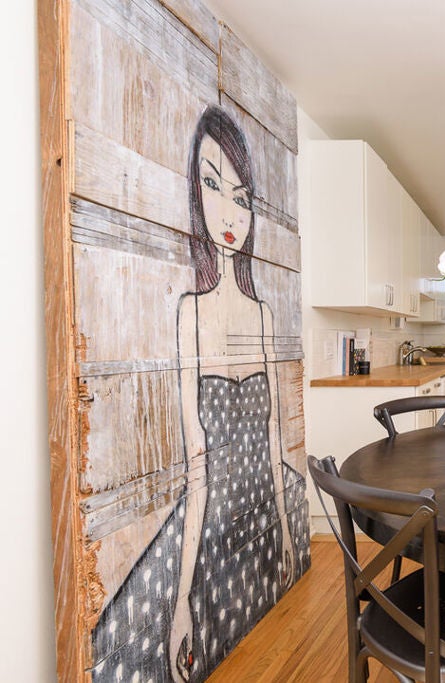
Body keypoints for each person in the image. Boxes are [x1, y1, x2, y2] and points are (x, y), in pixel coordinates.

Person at [91, 106, 306, 682]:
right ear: (194, 194)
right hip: (208, 525)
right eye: (212, 186)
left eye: (241, 196)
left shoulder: (262, 317)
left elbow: (272, 438)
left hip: (260, 512)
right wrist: (182, 596)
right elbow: (197, 466)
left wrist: (288, 534)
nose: (230, 213)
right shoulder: (189, 314)